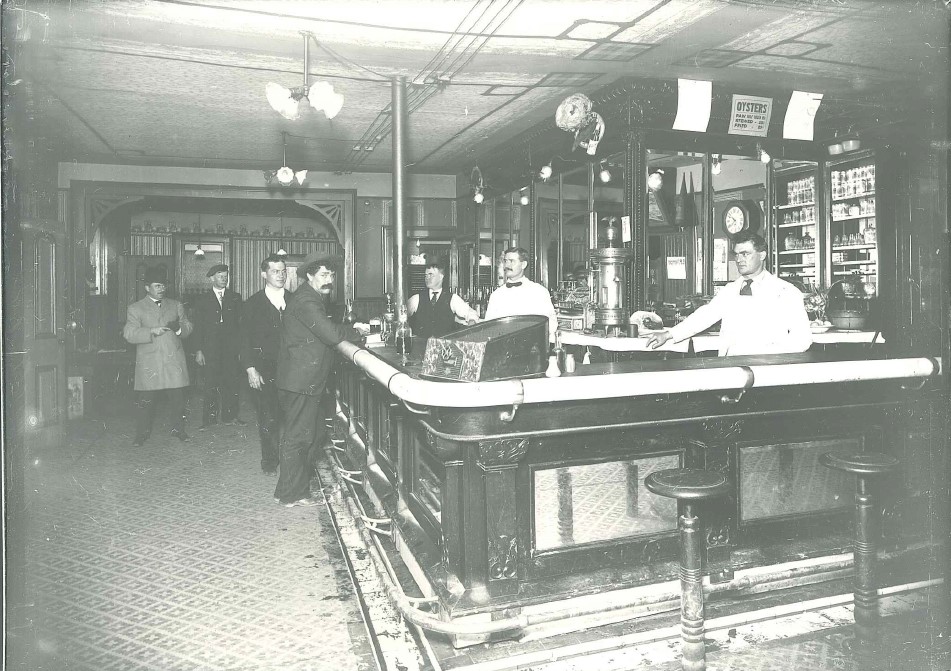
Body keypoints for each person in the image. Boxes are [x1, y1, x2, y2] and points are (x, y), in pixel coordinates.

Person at [275, 254, 368, 507]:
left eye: (332, 275)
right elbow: (330, 333)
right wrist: (358, 332)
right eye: (324, 275)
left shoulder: (310, 298)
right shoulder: (306, 300)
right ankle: (290, 495)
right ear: (309, 276)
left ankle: (292, 490)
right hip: (300, 381)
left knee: (310, 435)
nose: (330, 280)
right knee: (299, 437)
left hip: (304, 380)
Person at [646, 232, 812, 356]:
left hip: (767, 370)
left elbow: (802, 339)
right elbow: (704, 316)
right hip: (730, 368)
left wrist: (769, 355)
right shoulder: (730, 290)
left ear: (762, 255)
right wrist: (669, 334)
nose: (739, 259)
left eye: (745, 254)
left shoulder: (785, 292)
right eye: (736, 254)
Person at [122, 266, 194, 445]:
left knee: (178, 399)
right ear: (147, 288)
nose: (161, 289)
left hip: (173, 359)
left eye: (163, 286)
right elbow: (129, 334)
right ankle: (142, 434)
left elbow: (188, 327)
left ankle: (179, 430)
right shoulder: (135, 308)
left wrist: (179, 329)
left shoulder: (175, 305)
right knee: (146, 402)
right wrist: (151, 331)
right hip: (150, 361)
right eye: (157, 286)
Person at [240, 254, 287, 475]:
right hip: (263, 369)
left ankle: (292, 462)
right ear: (263, 274)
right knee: (268, 417)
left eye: (283, 270)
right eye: (275, 271)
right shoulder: (252, 304)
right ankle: (269, 460)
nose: (280, 275)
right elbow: (243, 339)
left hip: (292, 369)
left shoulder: (296, 301)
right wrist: (250, 369)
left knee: (293, 418)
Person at [193, 264, 245, 429]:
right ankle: (209, 420)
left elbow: (240, 326)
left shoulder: (235, 297)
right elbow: (198, 327)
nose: (224, 279)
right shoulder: (202, 300)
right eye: (220, 276)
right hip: (210, 349)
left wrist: (240, 349)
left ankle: (230, 417)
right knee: (211, 384)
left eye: (226, 276)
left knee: (232, 383)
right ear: (212, 278)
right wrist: (199, 350)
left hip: (230, 349)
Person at [484, 246, 557, 339]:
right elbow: (489, 326)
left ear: (523, 265)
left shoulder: (539, 291)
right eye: (505, 261)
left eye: (512, 261)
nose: (507, 265)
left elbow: (551, 322)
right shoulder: (496, 295)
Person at [406, 260, 478, 338]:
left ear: (441, 277)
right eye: (425, 275)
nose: (427, 278)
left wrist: (471, 322)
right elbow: (401, 313)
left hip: (444, 346)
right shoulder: (417, 298)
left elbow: (471, 313)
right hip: (421, 346)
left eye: (431, 275)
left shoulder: (452, 298)